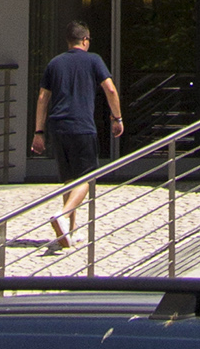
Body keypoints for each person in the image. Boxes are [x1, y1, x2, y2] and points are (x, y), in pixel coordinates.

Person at [29, 21, 121, 250]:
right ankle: (63, 214)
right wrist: (117, 118)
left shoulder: (55, 63)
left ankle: (70, 233)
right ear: (86, 39)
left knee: (69, 180)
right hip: (82, 126)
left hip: (58, 127)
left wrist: (38, 132)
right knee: (87, 178)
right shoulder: (94, 60)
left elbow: (42, 98)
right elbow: (110, 89)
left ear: (68, 41)